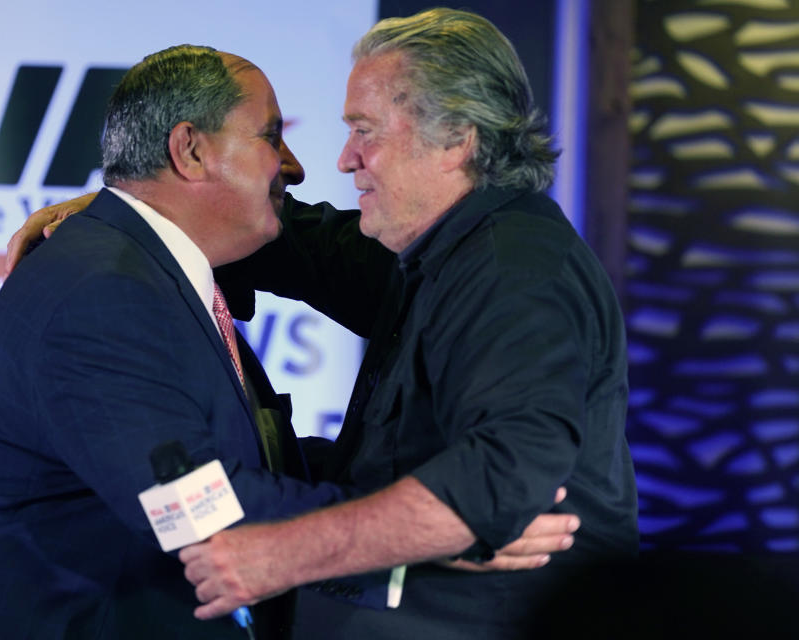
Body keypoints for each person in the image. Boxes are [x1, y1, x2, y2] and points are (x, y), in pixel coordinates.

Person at [0, 42, 575, 640]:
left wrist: (426, 512)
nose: (302, 166)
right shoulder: (103, 289)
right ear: (189, 150)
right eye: (271, 136)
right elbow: (197, 507)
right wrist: (431, 528)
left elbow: (237, 458)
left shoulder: (143, 268)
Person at [178, 9, 638, 639]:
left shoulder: (516, 275)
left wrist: (275, 555)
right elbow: (289, 242)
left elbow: (497, 484)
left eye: (365, 130)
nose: (344, 159)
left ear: (457, 138)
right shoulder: (435, 251)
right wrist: (121, 211)